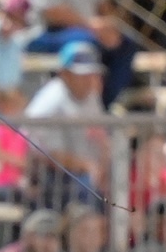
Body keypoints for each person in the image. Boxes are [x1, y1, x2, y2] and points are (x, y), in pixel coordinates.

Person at [23, 39, 107, 209]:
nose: (88, 80)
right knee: (87, 190)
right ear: (64, 74)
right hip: (50, 177)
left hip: (84, 170)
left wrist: (105, 167)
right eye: (81, 75)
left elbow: (100, 137)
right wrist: (89, 166)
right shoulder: (49, 102)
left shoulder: (90, 96)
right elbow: (50, 155)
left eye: (90, 74)